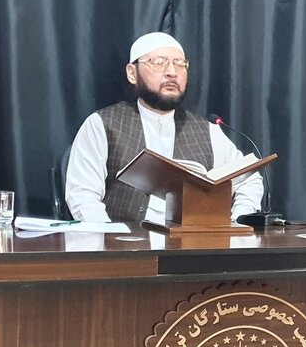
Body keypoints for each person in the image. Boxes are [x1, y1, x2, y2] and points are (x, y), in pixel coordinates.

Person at [65, 32, 264, 223]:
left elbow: (248, 178)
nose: (172, 72)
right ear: (132, 73)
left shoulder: (207, 129)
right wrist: (109, 238)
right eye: (159, 62)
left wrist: (238, 223)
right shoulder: (102, 124)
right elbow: (82, 194)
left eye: (180, 64)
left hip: (192, 244)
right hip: (125, 242)